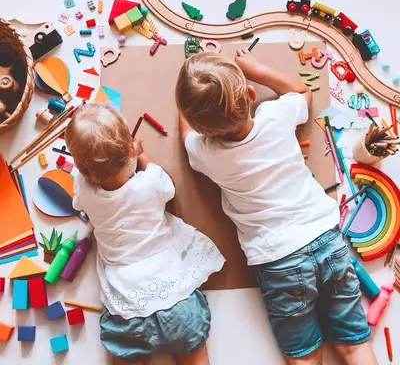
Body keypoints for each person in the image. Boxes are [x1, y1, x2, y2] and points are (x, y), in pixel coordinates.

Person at [175, 50, 378, 365]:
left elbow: (187, 135)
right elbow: (302, 92)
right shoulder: (275, 115)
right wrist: (256, 69)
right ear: (251, 94)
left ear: (204, 129)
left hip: (279, 261)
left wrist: (186, 108)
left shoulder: (207, 153)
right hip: (326, 240)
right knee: (354, 344)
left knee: (305, 357)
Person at [65, 103, 225, 365]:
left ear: (83, 170)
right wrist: (142, 156)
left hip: (127, 305)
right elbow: (169, 185)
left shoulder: (85, 191)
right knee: (194, 356)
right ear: (131, 149)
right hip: (173, 295)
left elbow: (81, 189)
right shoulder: (149, 183)